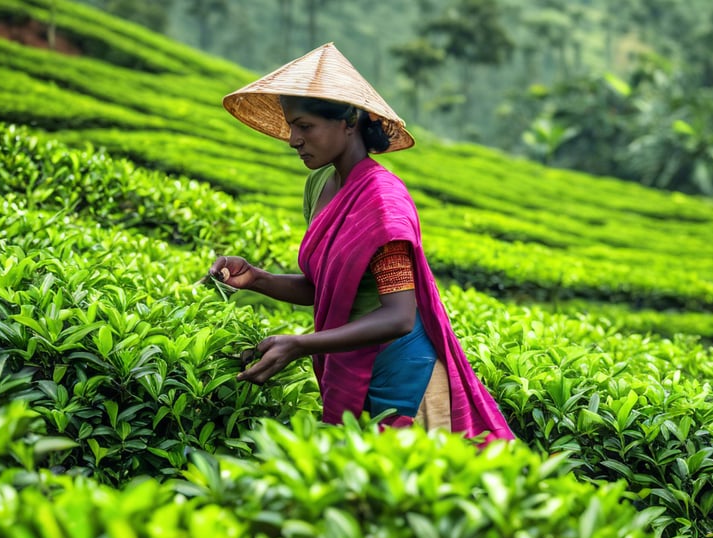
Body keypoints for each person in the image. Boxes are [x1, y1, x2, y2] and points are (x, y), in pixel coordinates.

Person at [212, 42, 514, 444]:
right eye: (290, 127)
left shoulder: (382, 203)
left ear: (348, 122)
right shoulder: (319, 184)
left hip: (405, 376)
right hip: (353, 365)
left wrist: (301, 345)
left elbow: (398, 316)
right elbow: (329, 290)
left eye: (305, 126)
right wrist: (258, 278)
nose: (293, 140)